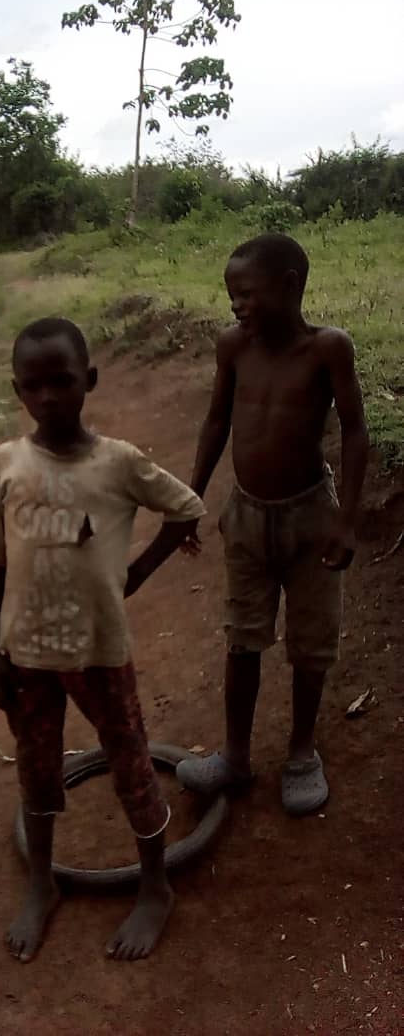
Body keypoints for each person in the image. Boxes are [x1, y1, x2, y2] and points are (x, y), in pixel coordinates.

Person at [0, 317, 205, 964]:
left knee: (129, 762)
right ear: (17, 390)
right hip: (26, 652)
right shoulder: (4, 464)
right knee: (36, 766)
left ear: (90, 381)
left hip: (99, 650)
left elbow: (186, 507)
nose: (48, 396)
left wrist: (135, 572)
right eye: (33, 385)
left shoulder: (118, 462)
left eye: (63, 381)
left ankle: (155, 886)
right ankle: (42, 883)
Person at [176, 234, 369, 816]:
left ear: (288, 286)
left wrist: (347, 521)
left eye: (246, 293)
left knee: (311, 643)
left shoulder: (328, 349)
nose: (236, 304)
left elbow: (355, 431)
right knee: (243, 637)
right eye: (231, 294)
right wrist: (191, 496)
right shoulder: (233, 346)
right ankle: (235, 756)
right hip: (247, 515)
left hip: (311, 516)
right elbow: (216, 422)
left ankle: (302, 753)